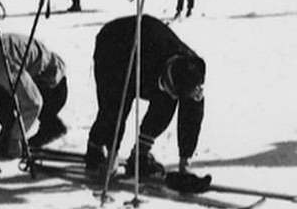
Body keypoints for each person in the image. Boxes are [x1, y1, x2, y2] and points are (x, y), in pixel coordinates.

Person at [85, 15, 206, 178]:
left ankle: (140, 155)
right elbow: (116, 107)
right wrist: (112, 152)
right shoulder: (139, 64)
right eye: (169, 88)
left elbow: (192, 116)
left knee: (165, 104)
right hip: (115, 49)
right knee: (111, 108)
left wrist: (185, 161)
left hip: (151, 55)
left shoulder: (191, 71)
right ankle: (96, 145)